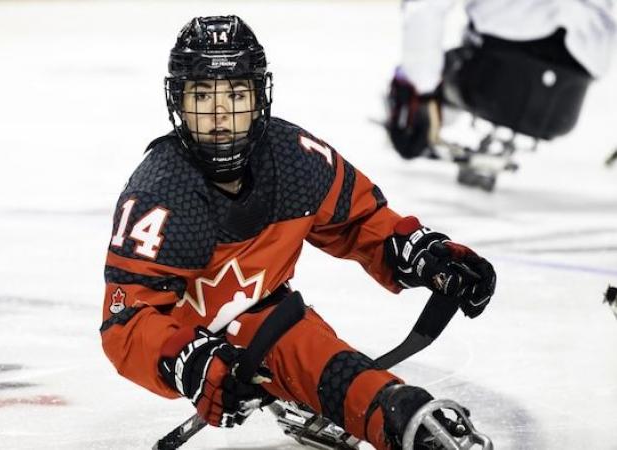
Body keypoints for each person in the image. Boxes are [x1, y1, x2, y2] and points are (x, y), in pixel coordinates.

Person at [100, 15, 496, 450]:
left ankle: (401, 418)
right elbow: (126, 323)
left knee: (333, 368)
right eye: (201, 94)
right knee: (301, 349)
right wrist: (191, 365)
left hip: (271, 321)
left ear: (259, 97)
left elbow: (360, 221)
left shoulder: (294, 158)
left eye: (235, 93)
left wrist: (427, 257)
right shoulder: (160, 193)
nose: (219, 114)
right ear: (177, 101)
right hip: (190, 338)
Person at [385, 0, 616, 160]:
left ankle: (421, 120)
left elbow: (425, 7)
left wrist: (421, 92)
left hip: (493, 71)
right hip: (570, 91)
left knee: (423, 71)